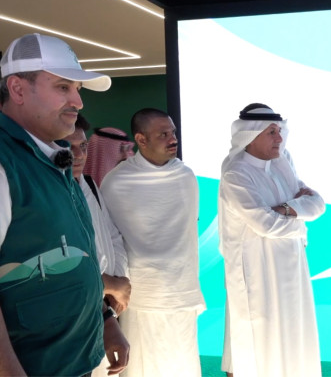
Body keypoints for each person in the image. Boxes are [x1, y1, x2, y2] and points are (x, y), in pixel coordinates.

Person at [0, 33, 129, 376]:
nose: (78, 101)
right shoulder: (6, 163)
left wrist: (104, 319)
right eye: (62, 87)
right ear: (17, 89)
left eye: (78, 89)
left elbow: (74, 255)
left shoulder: (51, 158)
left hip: (74, 361)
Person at [218, 103, 326, 377]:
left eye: (279, 131)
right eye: (271, 132)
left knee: (293, 334)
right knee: (260, 338)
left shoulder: (282, 163)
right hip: (259, 269)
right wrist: (299, 219)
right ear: (250, 135)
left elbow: (318, 204)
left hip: (293, 266)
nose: (279, 138)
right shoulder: (237, 174)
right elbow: (265, 224)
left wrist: (286, 209)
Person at [100, 107, 206, 377]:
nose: (173, 139)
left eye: (173, 132)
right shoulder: (116, 182)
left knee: (183, 365)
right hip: (141, 297)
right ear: (141, 139)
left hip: (182, 292)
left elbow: (188, 229)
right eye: (163, 134)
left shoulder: (185, 176)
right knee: (143, 368)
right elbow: (110, 240)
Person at [64, 114, 132, 377]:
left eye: (83, 146)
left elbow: (113, 238)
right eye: (68, 147)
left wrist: (119, 283)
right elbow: (64, 263)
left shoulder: (91, 185)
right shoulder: (51, 195)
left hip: (105, 306)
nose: (78, 155)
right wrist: (111, 285)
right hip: (76, 312)